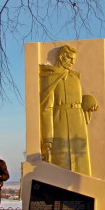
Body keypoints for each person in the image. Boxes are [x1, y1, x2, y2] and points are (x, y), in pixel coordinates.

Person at [39, 45, 99, 176]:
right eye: (70, 58)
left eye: (74, 59)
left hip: (78, 123)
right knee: (61, 164)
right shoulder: (50, 77)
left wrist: (87, 100)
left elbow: (76, 99)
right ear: (61, 57)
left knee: (81, 162)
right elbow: (46, 108)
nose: (73, 62)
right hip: (60, 122)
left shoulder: (74, 77)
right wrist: (47, 141)